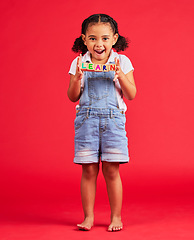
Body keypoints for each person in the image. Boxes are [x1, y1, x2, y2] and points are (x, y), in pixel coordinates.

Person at [67, 13, 136, 232]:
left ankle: (116, 216)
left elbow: (132, 94)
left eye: (105, 38)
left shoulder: (122, 61)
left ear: (114, 39)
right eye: (93, 38)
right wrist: (77, 78)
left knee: (112, 170)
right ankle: (88, 217)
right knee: (88, 171)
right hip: (86, 120)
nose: (99, 44)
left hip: (113, 121)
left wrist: (120, 76)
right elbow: (72, 96)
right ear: (84, 39)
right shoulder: (79, 62)